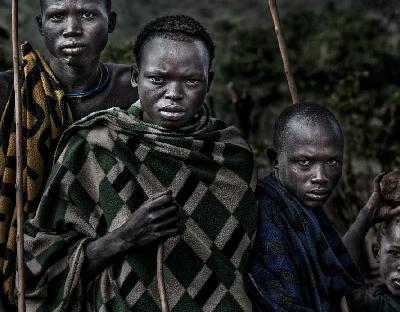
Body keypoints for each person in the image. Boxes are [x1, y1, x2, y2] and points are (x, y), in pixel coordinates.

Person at [23, 15, 258, 311]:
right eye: (158, 79)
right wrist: (125, 237)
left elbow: (247, 264)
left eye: (191, 81)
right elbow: (38, 268)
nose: (173, 95)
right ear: (136, 77)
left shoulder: (231, 156)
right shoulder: (95, 145)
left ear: (208, 82)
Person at [0, 0, 138, 307]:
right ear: (40, 25)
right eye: (58, 16)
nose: (72, 29)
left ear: (111, 22)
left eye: (88, 15)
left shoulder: (136, 88)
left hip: (122, 261)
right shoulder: (10, 91)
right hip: (25, 260)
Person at [245, 102, 400, 312]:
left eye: (332, 163)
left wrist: (367, 215)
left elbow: (334, 273)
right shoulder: (265, 214)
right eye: (304, 162)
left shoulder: (301, 205)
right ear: (275, 159)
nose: (321, 177)